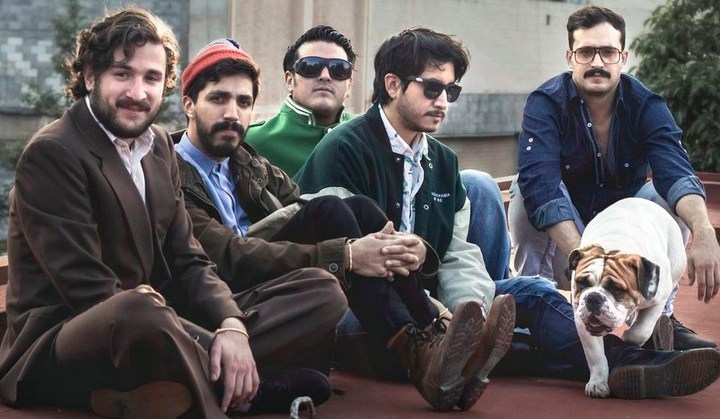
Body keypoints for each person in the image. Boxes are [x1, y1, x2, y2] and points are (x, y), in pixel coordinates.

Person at [295, 26, 720, 399]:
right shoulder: (343, 150)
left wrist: (469, 315)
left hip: (434, 304)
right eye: (432, 89)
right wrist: (439, 318)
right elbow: (329, 252)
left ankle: (611, 361)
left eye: (451, 92)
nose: (443, 102)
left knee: (535, 294)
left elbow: (459, 254)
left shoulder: (442, 160)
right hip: (368, 312)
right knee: (509, 347)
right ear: (392, 84)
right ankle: (627, 363)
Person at [0, 8, 349, 418]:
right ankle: (240, 392)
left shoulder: (158, 147)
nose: (138, 92)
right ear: (91, 77)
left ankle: (171, 390)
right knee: (136, 309)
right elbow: (87, 290)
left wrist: (232, 326)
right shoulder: (53, 152)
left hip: (160, 325)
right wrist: (211, 342)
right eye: (123, 74)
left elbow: (188, 257)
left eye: (151, 78)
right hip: (69, 340)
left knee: (321, 290)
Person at [173, 37, 507, 412]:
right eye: (218, 99)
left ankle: (436, 339)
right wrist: (346, 255)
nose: (232, 113)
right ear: (189, 104)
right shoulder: (169, 172)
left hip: (278, 291)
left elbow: (297, 212)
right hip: (219, 297)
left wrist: (406, 249)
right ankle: (426, 346)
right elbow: (226, 257)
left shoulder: (247, 162)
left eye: (243, 102)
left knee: (316, 383)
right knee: (333, 212)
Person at [508, 5, 719, 350]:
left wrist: (704, 232)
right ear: (570, 57)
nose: (597, 62)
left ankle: (659, 319)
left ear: (622, 57)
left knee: (668, 198)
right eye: (586, 52)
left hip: (626, 245)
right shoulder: (545, 103)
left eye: (607, 52)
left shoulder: (647, 104)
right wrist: (586, 260)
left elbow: (676, 172)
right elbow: (540, 183)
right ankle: (535, 314)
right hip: (568, 242)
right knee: (525, 189)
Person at [246, 24, 511, 282]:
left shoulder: (388, 136)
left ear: (350, 84)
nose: (325, 75)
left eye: (339, 69)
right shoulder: (255, 140)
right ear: (290, 79)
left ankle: (488, 292)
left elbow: (452, 250)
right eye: (311, 66)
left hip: (402, 260)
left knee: (478, 183)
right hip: (325, 266)